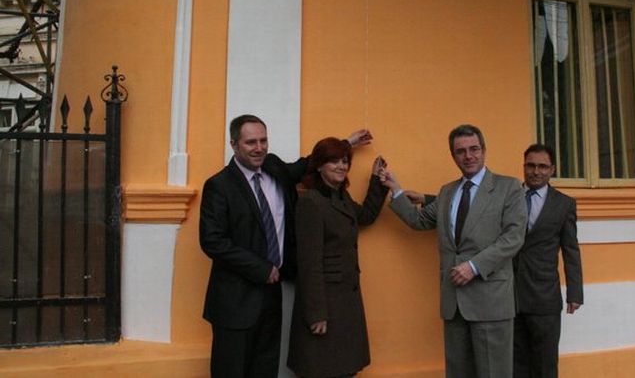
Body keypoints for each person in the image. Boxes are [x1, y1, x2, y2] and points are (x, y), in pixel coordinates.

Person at [199, 114, 372, 378]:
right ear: (234, 145)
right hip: (235, 300)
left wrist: (346, 144)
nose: (259, 148)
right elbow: (213, 241)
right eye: (251, 142)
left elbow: (309, 164)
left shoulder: (274, 168)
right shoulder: (219, 185)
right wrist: (261, 268)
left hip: (272, 295)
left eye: (263, 140)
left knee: (265, 368)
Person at [383, 124, 526, 378]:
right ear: (453, 156)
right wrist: (396, 189)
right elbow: (419, 221)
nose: (468, 156)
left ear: (484, 150)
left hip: (490, 301)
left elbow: (513, 238)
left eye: (474, 149)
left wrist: (474, 266)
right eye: (461, 151)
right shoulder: (448, 192)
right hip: (454, 303)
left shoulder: (509, 188)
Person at [287, 138, 389, 378]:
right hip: (325, 306)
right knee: (322, 369)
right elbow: (309, 263)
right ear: (319, 165)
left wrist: (377, 180)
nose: (342, 166)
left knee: (343, 369)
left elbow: (365, 216)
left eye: (345, 161)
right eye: (334, 161)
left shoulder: (341, 197)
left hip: (345, 304)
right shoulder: (311, 202)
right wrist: (316, 314)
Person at [513, 143, 583, 378]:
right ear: (524, 166)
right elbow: (474, 206)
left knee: (544, 366)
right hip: (509, 296)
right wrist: (428, 200)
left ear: (552, 169)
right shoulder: (508, 196)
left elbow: (571, 250)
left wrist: (575, 292)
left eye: (542, 166)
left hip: (544, 297)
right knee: (514, 366)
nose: (536, 171)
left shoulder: (564, 204)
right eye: (531, 165)